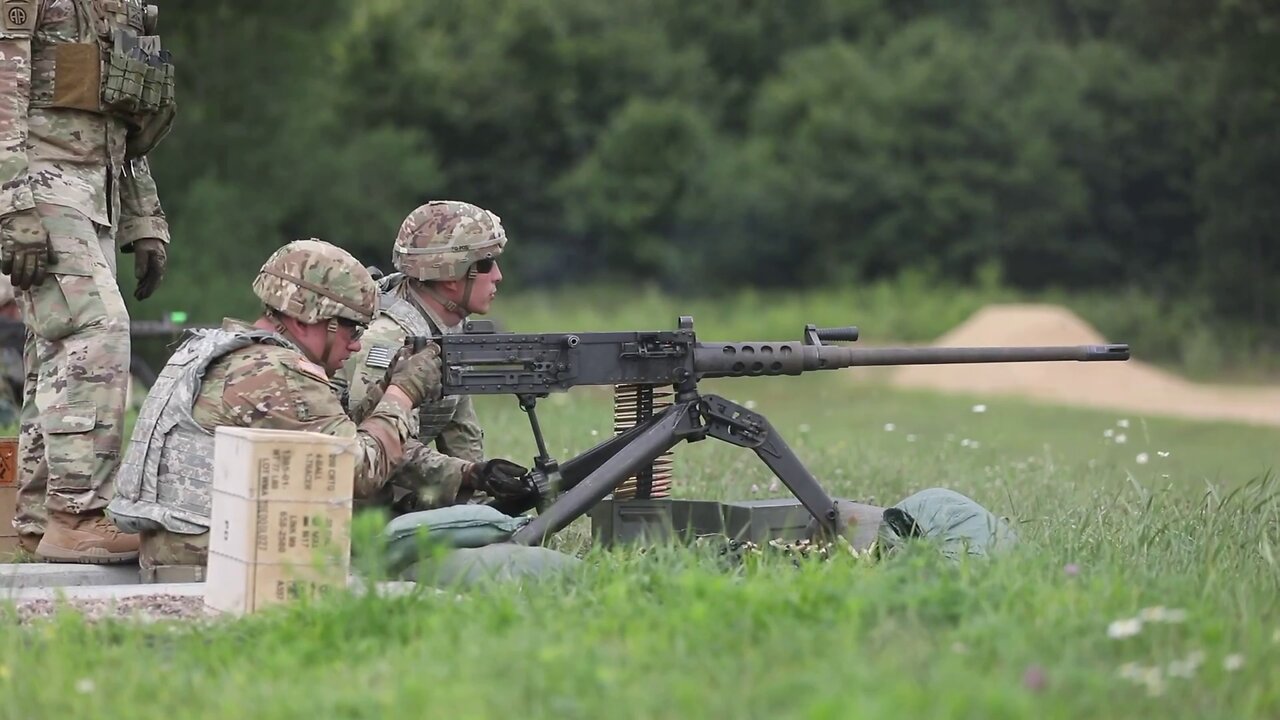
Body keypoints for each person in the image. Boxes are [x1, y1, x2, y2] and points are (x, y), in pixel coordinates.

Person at [107, 239, 443, 582]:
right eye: (350, 327)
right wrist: (402, 393)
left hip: (187, 559)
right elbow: (360, 471)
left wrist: (381, 391)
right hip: (218, 574)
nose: (356, 343)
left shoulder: (216, 351)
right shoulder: (277, 372)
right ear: (306, 320)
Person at [1, 0, 176, 561]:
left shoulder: (126, 6)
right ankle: (75, 514)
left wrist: (143, 217)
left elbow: (129, 109)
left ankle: (33, 525)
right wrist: (13, 207)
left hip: (96, 190)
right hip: (40, 181)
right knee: (96, 331)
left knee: (56, 351)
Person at [335, 200, 531, 516]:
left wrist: (482, 500)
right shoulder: (386, 339)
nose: (498, 276)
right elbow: (369, 444)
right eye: (486, 264)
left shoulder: (448, 327)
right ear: (452, 276)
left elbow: (460, 428)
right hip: (358, 509)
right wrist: (466, 476)